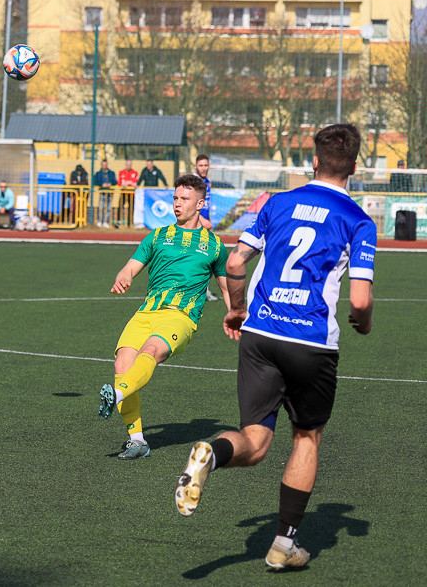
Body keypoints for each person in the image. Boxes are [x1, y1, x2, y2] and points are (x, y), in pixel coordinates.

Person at [174, 124, 375, 572]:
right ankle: (284, 544)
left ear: (315, 161)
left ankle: (214, 452)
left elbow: (235, 261)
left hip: (261, 335)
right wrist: (362, 321)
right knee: (305, 437)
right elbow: (359, 301)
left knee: (255, 440)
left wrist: (237, 309)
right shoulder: (359, 220)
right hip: (310, 343)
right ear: (356, 168)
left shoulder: (276, 203)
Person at [98, 174, 229, 460]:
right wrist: (124, 277)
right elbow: (130, 267)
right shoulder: (157, 236)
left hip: (180, 317)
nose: (177, 204)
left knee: (152, 351)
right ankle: (137, 441)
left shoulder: (215, 245)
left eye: (185, 199)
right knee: (123, 364)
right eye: (175, 198)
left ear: (200, 203)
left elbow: (225, 285)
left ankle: (116, 396)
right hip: (147, 312)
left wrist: (234, 313)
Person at [194, 154, 220, 301]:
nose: (203, 168)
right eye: (201, 165)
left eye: (205, 165)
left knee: (209, 258)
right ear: (196, 166)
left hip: (205, 226)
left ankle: (203, 289)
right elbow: (190, 206)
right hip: (196, 225)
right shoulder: (194, 182)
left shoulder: (206, 182)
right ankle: (200, 290)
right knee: (202, 258)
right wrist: (202, 220)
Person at [93, 159, 116, 228]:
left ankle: (106, 221)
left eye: (105, 164)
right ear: (101, 165)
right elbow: (95, 181)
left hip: (109, 192)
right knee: (101, 207)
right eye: (103, 164)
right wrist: (101, 185)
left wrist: (110, 184)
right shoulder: (98, 173)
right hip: (102, 192)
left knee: (108, 208)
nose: (104, 166)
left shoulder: (111, 173)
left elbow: (114, 181)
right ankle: (100, 221)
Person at [116, 159, 139, 227]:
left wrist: (128, 184)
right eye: (127, 165)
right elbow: (119, 182)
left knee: (131, 208)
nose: (128, 166)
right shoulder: (121, 172)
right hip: (123, 193)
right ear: (125, 165)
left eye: (130, 165)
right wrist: (127, 184)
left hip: (131, 194)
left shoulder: (135, 173)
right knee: (120, 207)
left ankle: (130, 223)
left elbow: (135, 182)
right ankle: (118, 221)